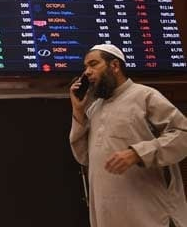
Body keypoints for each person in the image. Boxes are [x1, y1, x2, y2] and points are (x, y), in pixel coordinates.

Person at [69, 44, 187, 227]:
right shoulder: (94, 108)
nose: (87, 73)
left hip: (149, 215)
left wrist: (137, 153)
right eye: (85, 68)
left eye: (93, 64)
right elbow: (83, 157)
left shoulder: (145, 95)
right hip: (107, 217)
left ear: (114, 66)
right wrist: (78, 111)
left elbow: (182, 133)